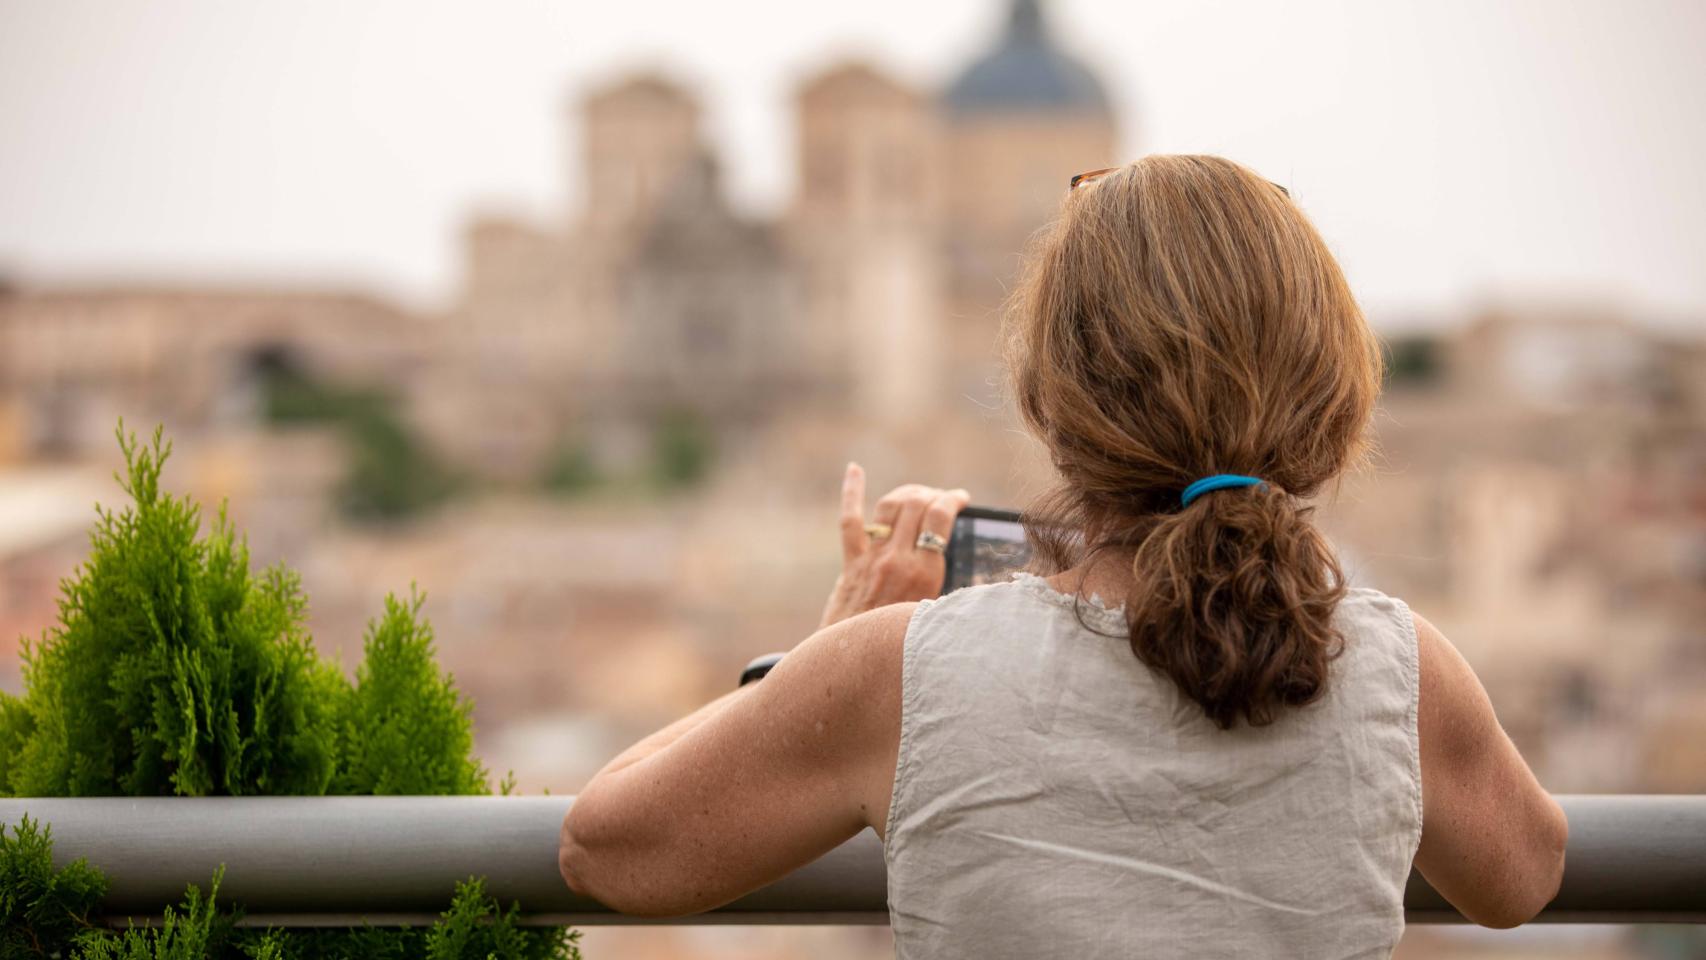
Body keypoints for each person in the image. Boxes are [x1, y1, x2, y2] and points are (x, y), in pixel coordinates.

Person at [558, 155, 1568, 957]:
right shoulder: (1399, 668)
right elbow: (1522, 879)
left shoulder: (897, 674)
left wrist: (826, 649)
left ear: (1050, 404)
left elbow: (605, 848)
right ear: (1330, 398)